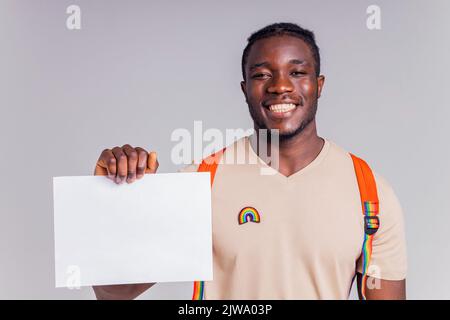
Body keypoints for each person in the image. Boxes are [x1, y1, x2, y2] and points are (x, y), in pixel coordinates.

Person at [92, 22, 406, 300]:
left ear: (319, 85)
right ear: (245, 90)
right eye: (262, 75)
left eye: (297, 72)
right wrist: (115, 196)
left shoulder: (369, 192)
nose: (280, 86)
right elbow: (114, 293)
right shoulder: (202, 181)